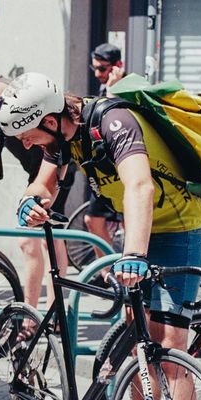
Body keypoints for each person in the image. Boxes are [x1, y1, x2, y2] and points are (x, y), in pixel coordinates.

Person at [0, 72, 201, 400]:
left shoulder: (114, 122)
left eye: (29, 134)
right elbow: (44, 184)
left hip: (179, 231)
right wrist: (30, 202)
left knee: (171, 353)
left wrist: (133, 252)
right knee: (137, 345)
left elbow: (139, 185)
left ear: (52, 119)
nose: (28, 144)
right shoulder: (61, 139)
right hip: (140, 232)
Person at [0, 51, 73, 311]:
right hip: (41, 168)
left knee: (33, 241)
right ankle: (52, 310)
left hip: (52, 165)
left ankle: (33, 313)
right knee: (49, 239)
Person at [85, 42, 126, 260]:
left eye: (103, 68)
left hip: (124, 165)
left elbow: (113, 117)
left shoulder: (126, 87)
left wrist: (112, 89)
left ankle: (133, 277)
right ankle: (109, 272)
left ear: (118, 65)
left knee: (131, 224)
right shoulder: (103, 87)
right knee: (92, 220)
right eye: (95, 69)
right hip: (104, 167)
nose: (98, 74)